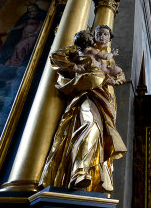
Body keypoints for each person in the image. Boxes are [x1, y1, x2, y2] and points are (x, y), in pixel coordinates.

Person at [39, 25, 126, 193]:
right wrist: (75, 67)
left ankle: (90, 174)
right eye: (98, 34)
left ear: (110, 38)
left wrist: (114, 80)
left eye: (105, 34)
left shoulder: (107, 58)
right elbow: (56, 56)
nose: (102, 37)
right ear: (92, 37)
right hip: (85, 93)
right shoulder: (79, 50)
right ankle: (79, 172)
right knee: (89, 125)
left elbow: (119, 75)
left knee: (101, 133)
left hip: (105, 98)